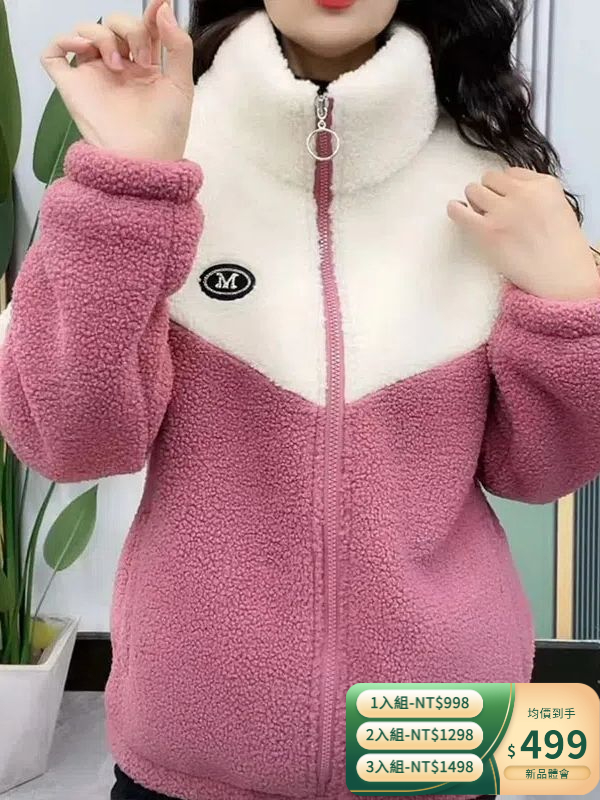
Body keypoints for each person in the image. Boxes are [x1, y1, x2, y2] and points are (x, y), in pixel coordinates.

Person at [1, 0, 599, 798]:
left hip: (444, 732)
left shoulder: (494, 183)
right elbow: (70, 443)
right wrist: (132, 184)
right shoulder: (164, 161)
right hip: (194, 736)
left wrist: (572, 302)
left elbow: (540, 473)